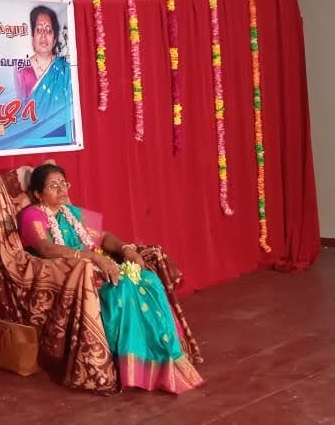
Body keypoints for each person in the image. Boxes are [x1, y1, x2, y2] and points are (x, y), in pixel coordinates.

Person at [17, 163, 204, 394]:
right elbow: (45, 248)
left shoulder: (71, 212)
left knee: (148, 280)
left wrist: (125, 249)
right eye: (53, 185)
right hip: (69, 274)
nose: (61, 189)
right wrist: (93, 259)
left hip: (95, 265)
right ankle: (132, 365)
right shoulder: (32, 215)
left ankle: (162, 357)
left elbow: (103, 237)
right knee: (121, 288)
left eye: (63, 183)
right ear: (38, 193)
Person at [14, 5, 71, 106]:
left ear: (54, 40)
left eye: (48, 31)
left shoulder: (65, 69)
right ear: (33, 39)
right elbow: (20, 107)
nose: (44, 35)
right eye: (39, 30)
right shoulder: (21, 71)